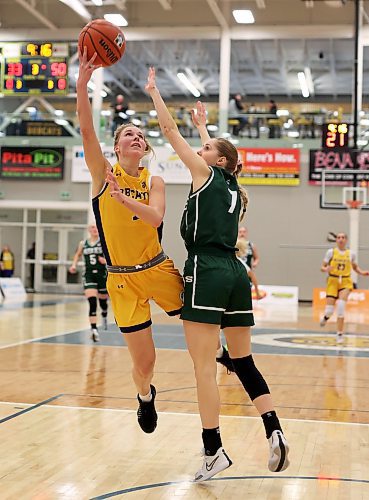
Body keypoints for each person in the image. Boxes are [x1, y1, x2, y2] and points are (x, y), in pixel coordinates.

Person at [146, 68, 289, 482]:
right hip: (235, 273)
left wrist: (156, 93)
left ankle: (213, 451)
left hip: (206, 268)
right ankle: (273, 428)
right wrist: (205, 128)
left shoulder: (204, 175)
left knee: (203, 367)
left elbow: (169, 131)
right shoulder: (232, 188)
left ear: (218, 160)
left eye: (204, 146)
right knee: (242, 361)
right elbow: (214, 152)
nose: (198, 147)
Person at [77, 49, 183, 434]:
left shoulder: (153, 180)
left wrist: (125, 199)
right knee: (146, 363)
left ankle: (224, 354)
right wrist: (83, 84)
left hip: (157, 268)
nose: (136, 138)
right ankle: (144, 395)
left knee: (200, 319)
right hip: (121, 280)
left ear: (146, 148)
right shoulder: (102, 174)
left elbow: (157, 217)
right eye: (128, 134)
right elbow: (87, 130)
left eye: (141, 135)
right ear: (118, 147)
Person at [216, 238, 262, 373]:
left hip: (236, 295)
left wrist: (257, 292)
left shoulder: (239, 263)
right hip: (231, 294)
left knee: (227, 326)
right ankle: (224, 353)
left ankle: (227, 353)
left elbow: (252, 276)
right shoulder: (234, 262)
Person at [320, 232, 369, 344]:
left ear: (346, 240)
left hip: (345, 281)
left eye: (343, 237)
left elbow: (355, 267)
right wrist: (326, 269)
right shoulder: (331, 252)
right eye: (338, 237)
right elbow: (322, 267)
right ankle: (326, 318)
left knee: (341, 306)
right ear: (336, 240)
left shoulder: (351, 254)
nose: (341, 239)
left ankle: (340, 334)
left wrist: (362, 272)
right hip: (333, 281)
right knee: (329, 311)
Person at [69, 224, 109, 342]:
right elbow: (77, 254)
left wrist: (105, 261)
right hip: (89, 275)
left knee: (102, 301)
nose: (94, 229)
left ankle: (105, 314)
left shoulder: (104, 242)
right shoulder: (83, 243)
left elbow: (113, 257)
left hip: (102, 275)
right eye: (92, 227)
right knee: (92, 302)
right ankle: (94, 329)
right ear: (89, 230)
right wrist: (73, 265)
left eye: (96, 227)